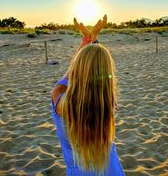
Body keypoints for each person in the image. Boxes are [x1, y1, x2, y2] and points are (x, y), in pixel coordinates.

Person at [51, 15, 125, 176]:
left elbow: (67, 77)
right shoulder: (109, 103)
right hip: (111, 170)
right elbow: (100, 73)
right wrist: (93, 39)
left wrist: (86, 41)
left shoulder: (61, 102)